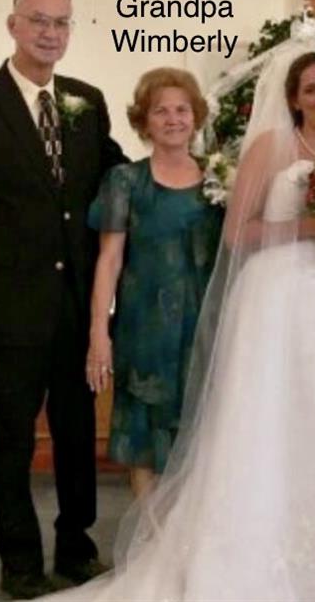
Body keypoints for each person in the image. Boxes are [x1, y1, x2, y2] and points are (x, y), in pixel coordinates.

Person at [41, 53, 315, 601]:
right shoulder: (270, 147)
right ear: (292, 98)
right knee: (266, 419)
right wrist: (312, 226)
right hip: (276, 297)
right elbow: (236, 234)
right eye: (311, 89)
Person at [0, 0, 127, 599]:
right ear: (13, 24)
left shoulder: (86, 101)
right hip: (6, 309)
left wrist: (189, 171)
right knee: (12, 440)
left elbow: (117, 178)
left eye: (62, 22)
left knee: (77, 437)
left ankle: (76, 547)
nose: (50, 32)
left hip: (77, 310)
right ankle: (19, 560)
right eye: (39, 20)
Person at [85, 67, 223, 499]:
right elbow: (109, 260)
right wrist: (98, 334)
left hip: (206, 327)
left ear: (196, 117)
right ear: (144, 121)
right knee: (144, 440)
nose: (173, 119)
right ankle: (151, 535)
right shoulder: (125, 181)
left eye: (182, 110)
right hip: (144, 331)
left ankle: (192, 534)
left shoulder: (221, 178)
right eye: (160, 111)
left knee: (204, 433)